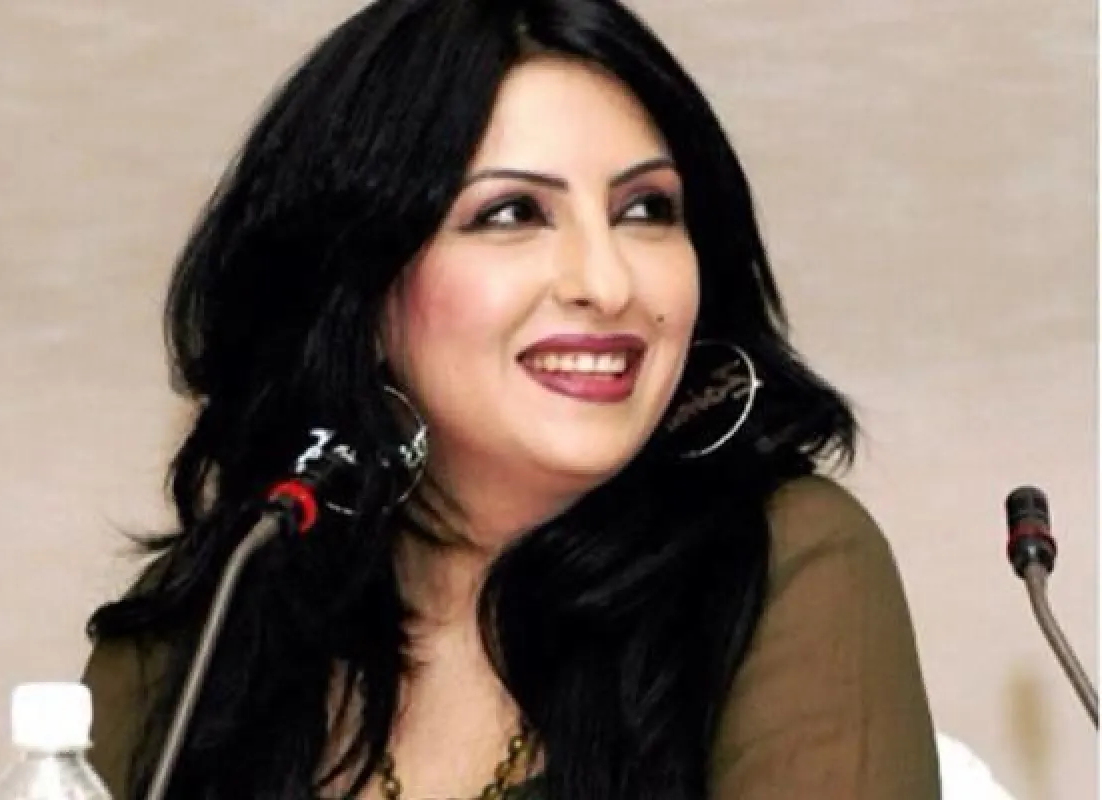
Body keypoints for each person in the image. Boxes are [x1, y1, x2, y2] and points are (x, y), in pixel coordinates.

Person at [81, 1, 941, 798]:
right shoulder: (211, 613)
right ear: (359, 286)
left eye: (646, 209)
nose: (608, 283)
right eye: (511, 214)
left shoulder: (782, 558)